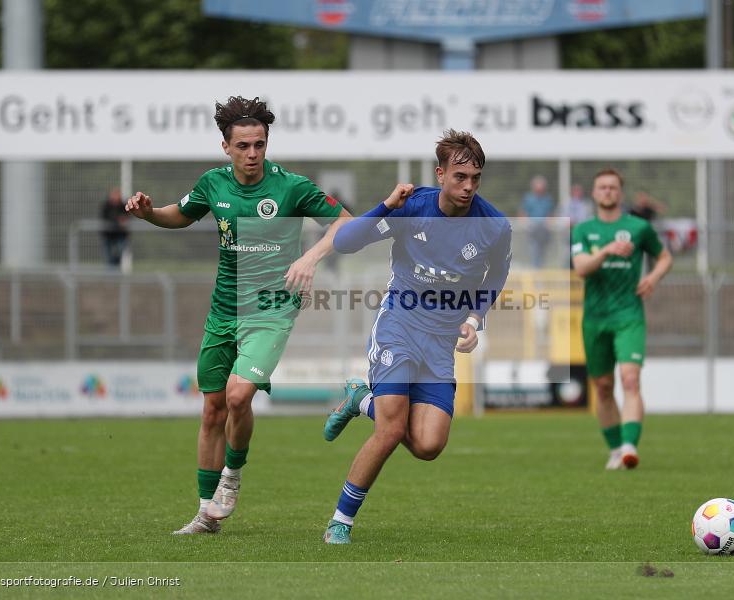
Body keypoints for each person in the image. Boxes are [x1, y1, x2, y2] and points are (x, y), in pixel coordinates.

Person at [125, 96, 351, 534]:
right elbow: (181, 215)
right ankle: (205, 514)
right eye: (243, 146)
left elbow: (346, 222)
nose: (252, 154)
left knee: (236, 396)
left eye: (260, 145)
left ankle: (233, 475)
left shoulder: (290, 187)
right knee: (212, 410)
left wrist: (311, 258)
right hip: (223, 308)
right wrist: (148, 212)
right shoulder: (213, 184)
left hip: (271, 307)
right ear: (226, 147)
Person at [318, 130, 512, 544]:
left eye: (475, 178)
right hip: (399, 326)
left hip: (442, 342)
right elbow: (346, 242)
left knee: (427, 445)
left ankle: (360, 399)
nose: (468, 186)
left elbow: (496, 275)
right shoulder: (412, 208)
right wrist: (386, 204)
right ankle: (341, 521)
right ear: (440, 174)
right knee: (390, 430)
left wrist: (476, 319)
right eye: (460, 177)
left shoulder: (494, 226)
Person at [570, 168, 672, 471]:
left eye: (613, 187)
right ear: (594, 193)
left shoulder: (638, 228)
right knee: (602, 386)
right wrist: (606, 251)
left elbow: (665, 256)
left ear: (620, 193)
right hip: (595, 318)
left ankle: (629, 446)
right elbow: (581, 268)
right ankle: (615, 449)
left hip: (629, 315)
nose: (607, 192)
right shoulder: (583, 230)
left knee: (630, 380)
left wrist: (652, 277)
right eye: (602, 187)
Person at [519, 175, 554, 268]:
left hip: (544, 232)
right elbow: (523, 214)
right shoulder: (528, 198)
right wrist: (526, 225)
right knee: (534, 254)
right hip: (532, 232)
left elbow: (549, 215)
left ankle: (541, 275)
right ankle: (535, 275)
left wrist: (549, 223)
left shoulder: (548, 199)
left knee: (543, 255)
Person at [101, 187, 130, 269]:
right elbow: (104, 218)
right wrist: (118, 219)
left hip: (121, 235)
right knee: (108, 257)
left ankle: (115, 270)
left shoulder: (123, 206)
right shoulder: (106, 206)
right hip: (108, 235)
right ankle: (111, 275)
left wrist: (123, 220)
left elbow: (127, 217)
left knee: (120, 254)